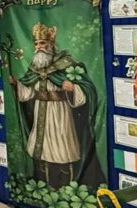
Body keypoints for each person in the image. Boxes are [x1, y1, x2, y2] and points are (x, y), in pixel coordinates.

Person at [9, 22, 104, 189]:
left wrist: (73, 88)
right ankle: (43, 183)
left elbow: (88, 89)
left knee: (62, 148)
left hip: (61, 114)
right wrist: (18, 85)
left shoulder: (67, 63)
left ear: (51, 43)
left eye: (43, 43)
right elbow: (29, 92)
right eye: (36, 44)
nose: (39, 47)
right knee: (41, 149)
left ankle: (64, 185)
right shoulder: (36, 66)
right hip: (41, 112)